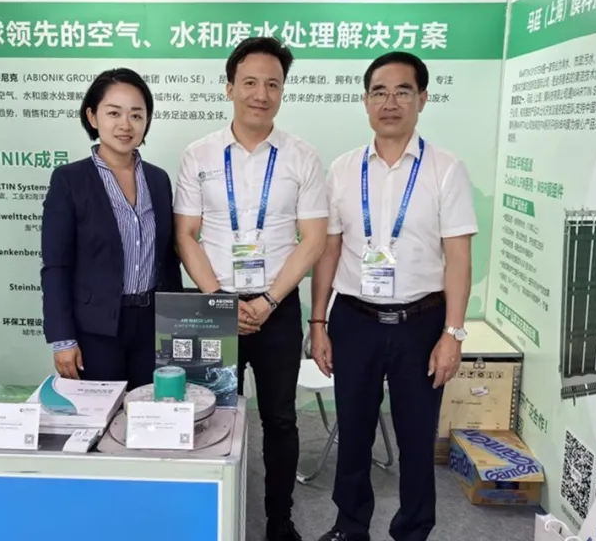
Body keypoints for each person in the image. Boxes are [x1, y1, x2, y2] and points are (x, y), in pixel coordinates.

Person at [310, 52, 477, 541]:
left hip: (421, 323)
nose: (390, 102)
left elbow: (459, 259)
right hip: (354, 319)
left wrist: (453, 333)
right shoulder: (343, 169)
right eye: (379, 92)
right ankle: (350, 525)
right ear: (365, 101)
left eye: (402, 91)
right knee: (353, 431)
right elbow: (329, 251)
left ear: (422, 99)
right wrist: (317, 323)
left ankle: (413, 530)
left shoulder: (446, 169)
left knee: (416, 438)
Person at [174, 37, 328, 541]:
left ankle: (279, 519)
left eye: (272, 84)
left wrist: (268, 301)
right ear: (230, 88)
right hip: (211, 304)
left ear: (282, 91)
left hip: (276, 306)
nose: (261, 94)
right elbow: (185, 234)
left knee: (280, 419)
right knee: (209, 412)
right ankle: (213, 513)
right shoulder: (198, 154)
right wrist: (220, 302)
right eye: (250, 83)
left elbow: (313, 239)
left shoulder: (302, 157)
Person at [40, 67, 183, 390]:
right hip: (96, 329)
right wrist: (63, 339)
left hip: (152, 325)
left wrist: (175, 324)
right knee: (102, 413)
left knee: (150, 409)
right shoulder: (70, 180)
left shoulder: (158, 179)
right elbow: (56, 266)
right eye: (114, 113)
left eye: (136, 115)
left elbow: (168, 259)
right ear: (93, 117)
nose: (125, 125)